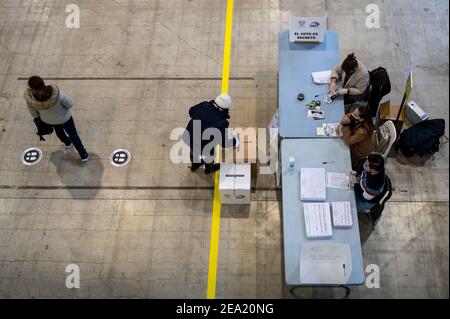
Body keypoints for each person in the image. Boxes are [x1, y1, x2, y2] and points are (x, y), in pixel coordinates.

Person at [24, 76, 90, 162]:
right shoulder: (56, 94)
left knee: (59, 131)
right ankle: (83, 155)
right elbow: (70, 103)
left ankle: (67, 143)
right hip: (65, 118)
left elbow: (34, 114)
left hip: (49, 121)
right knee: (73, 134)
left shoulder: (31, 101)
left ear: (31, 88)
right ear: (43, 83)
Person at [184, 93, 238, 174]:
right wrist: (234, 141)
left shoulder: (204, 105)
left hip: (189, 137)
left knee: (193, 150)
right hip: (205, 145)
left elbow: (191, 112)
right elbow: (223, 143)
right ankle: (209, 168)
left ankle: (195, 165)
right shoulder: (222, 122)